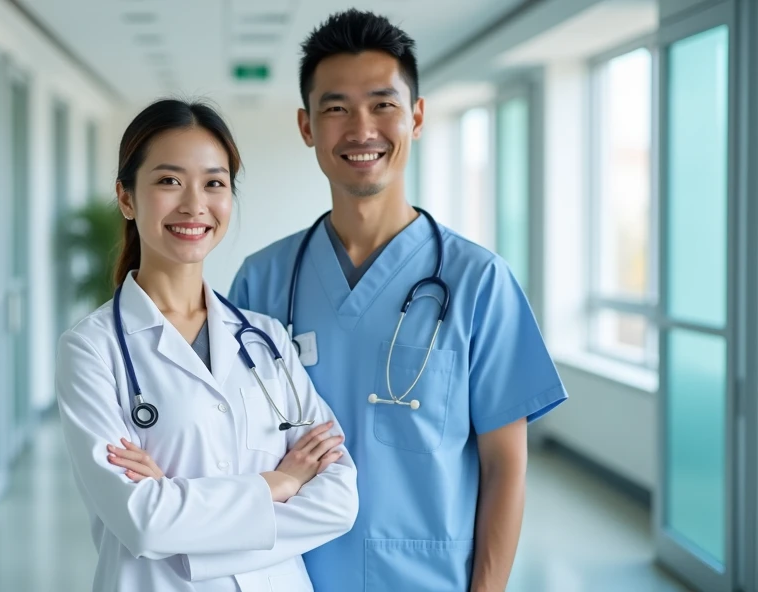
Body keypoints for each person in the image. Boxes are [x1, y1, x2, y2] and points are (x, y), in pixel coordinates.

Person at [227, 10, 569, 592]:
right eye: (336, 108)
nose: (361, 129)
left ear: (416, 116)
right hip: (286, 578)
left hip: (428, 579)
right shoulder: (263, 281)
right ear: (307, 126)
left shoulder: (479, 281)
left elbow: (505, 464)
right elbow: (228, 442)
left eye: (383, 104)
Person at [55, 98, 359, 592]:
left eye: (214, 183)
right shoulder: (92, 350)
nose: (195, 204)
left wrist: (177, 502)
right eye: (169, 181)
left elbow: (339, 501)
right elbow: (142, 521)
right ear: (126, 198)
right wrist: (277, 484)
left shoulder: (267, 340)